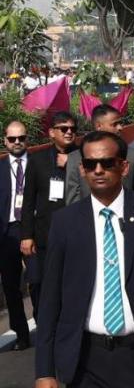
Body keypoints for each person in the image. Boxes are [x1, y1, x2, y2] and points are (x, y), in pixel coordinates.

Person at [34, 131, 134, 388]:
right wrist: (44, 371)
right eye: (90, 164)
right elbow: (50, 299)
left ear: (124, 166)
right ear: (82, 169)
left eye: (107, 163)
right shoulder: (65, 222)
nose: (98, 170)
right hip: (85, 360)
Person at [20, 111, 79, 313]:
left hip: (77, 232)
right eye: (64, 128)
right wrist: (26, 235)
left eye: (72, 128)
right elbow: (28, 200)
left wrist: (72, 164)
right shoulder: (37, 160)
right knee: (41, 284)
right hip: (45, 233)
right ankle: (44, 325)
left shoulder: (84, 157)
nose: (69, 132)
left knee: (72, 285)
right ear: (51, 133)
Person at [66, 104, 134, 205]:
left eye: (120, 123)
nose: (120, 128)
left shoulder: (131, 155)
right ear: (99, 126)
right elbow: (73, 202)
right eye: (114, 124)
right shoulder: (75, 158)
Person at [1, 121, 31, 350]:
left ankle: (48, 329)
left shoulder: (40, 163)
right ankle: (22, 334)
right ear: (5, 141)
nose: (17, 142)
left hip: (33, 228)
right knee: (11, 286)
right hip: (7, 232)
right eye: (12, 139)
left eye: (21, 137)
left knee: (40, 283)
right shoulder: (1, 167)